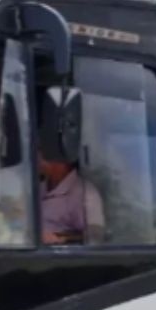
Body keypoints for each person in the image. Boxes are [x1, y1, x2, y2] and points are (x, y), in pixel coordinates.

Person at [37, 94, 106, 245]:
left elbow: (95, 236)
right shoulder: (39, 188)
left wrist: (59, 237)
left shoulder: (85, 194)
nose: (36, 158)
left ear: (57, 156)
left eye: (40, 152)